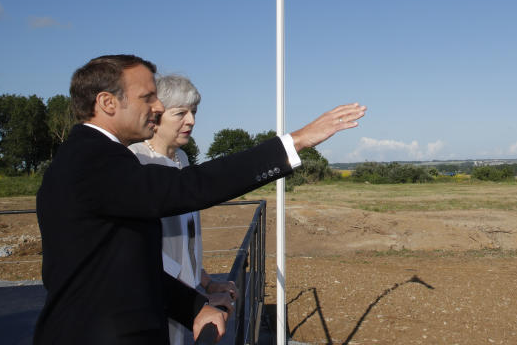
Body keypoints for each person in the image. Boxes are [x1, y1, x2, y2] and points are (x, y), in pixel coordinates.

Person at [34, 55, 365, 345]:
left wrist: (196, 307)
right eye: (147, 97)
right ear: (107, 103)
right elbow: (191, 186)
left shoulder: (98, 156)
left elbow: (129, 269)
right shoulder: (92, 160)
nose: (158, 107)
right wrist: (297, 141)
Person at [128, 74, 236, 345]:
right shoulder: (134, 161)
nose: (192, 121)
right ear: (156, 115)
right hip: (151, 302)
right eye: (181, 113)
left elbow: (185, 240)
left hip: (183, 296)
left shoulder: (182, 159)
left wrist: (206, 282)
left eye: (194, 112)